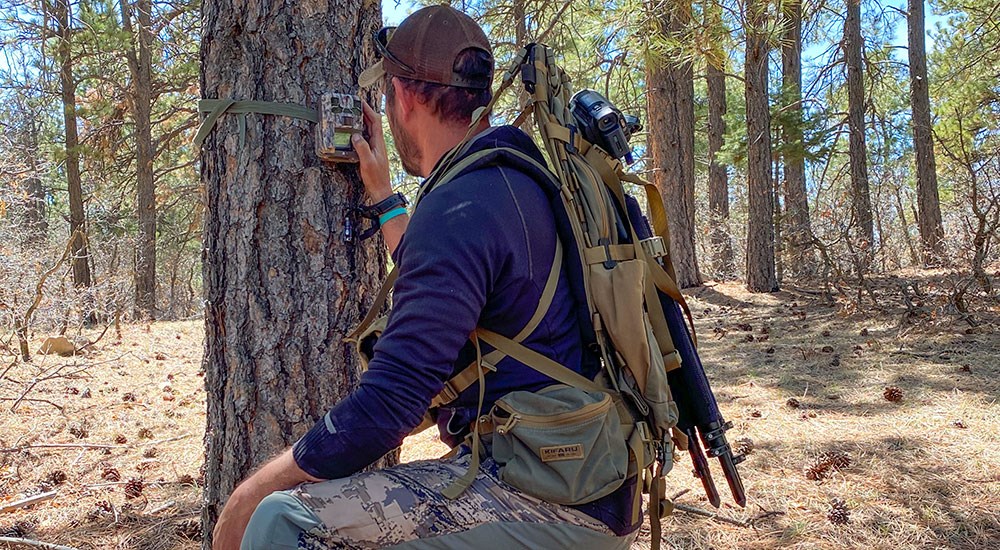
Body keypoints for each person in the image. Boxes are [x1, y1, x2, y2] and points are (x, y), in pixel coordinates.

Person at [212, 6, 639, 549]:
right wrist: (386, 199)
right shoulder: (515, 176)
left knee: (280, 521)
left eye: (386, 98)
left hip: (549, 502)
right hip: (582, 474)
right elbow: (448, 277)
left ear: (403, 95)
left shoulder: (461, 206)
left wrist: (248, 494)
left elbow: (391, 402)